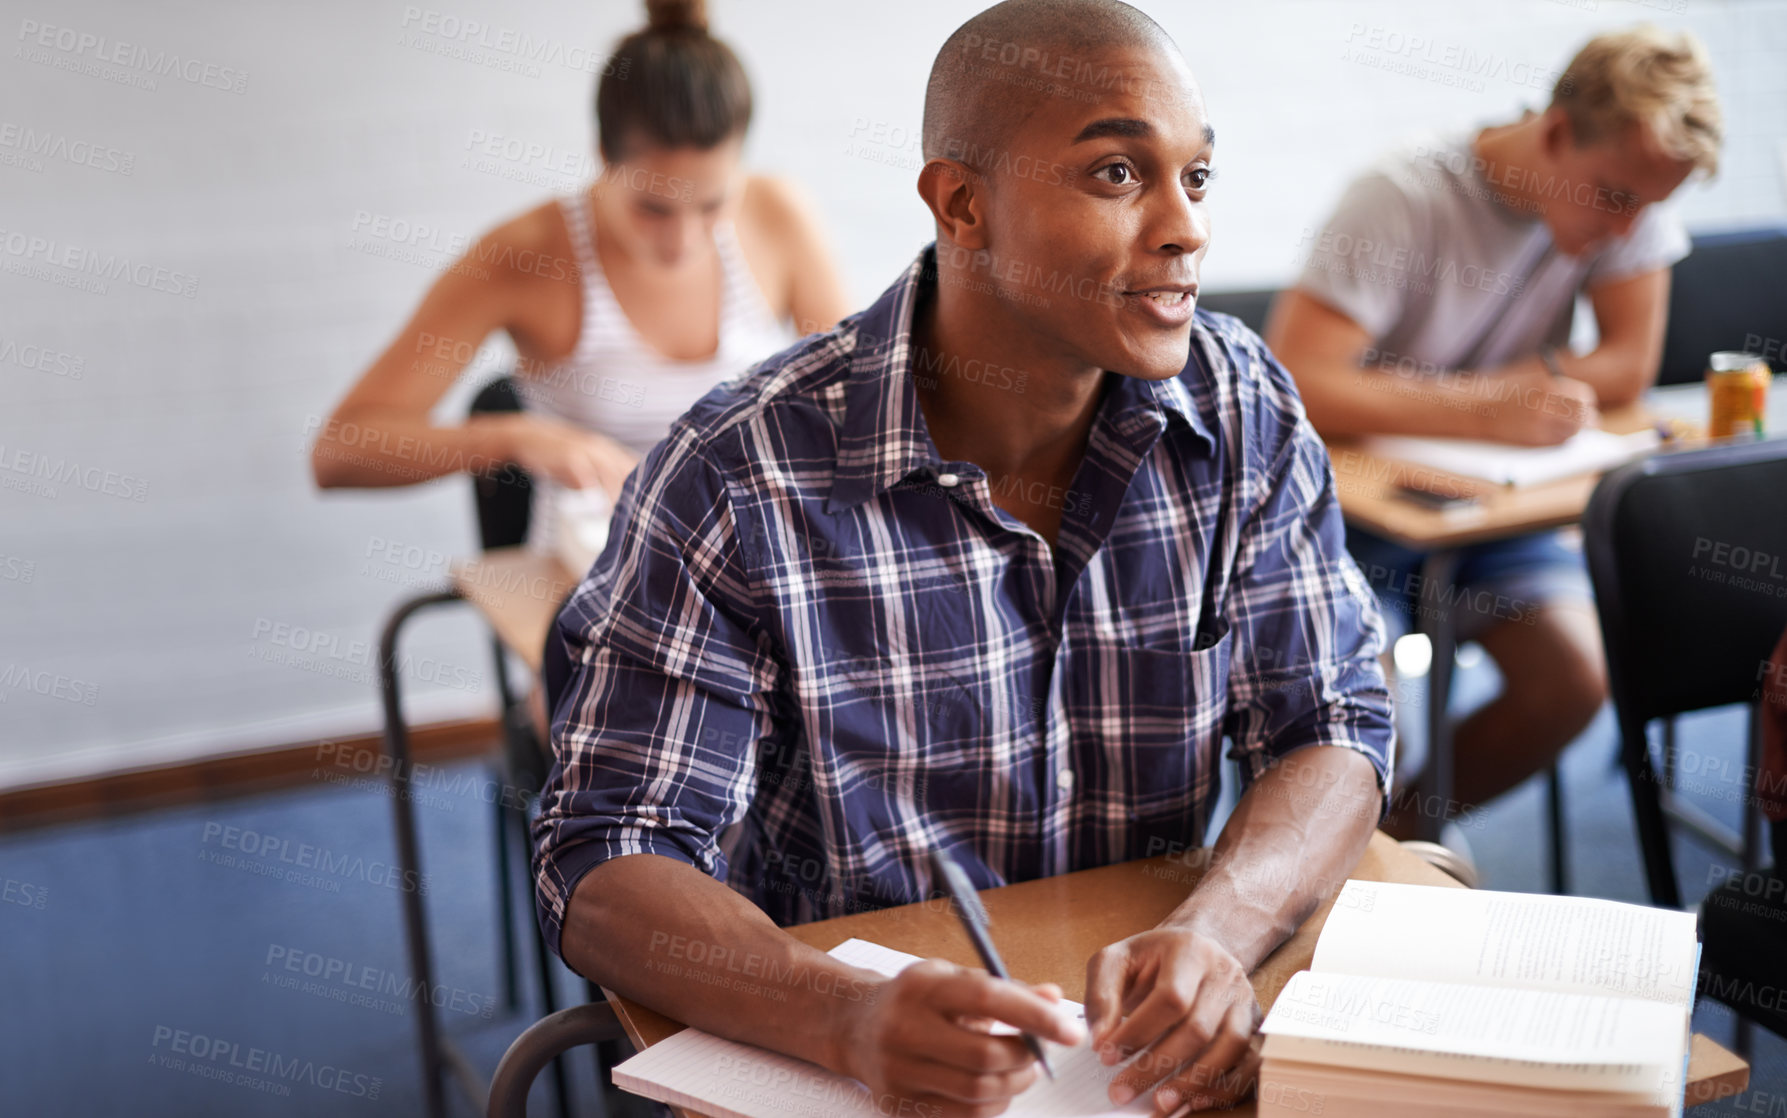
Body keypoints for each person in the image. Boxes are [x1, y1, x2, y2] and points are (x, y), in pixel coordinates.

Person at [534, 1, 1395, 1113]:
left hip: (1139, 1068)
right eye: (1117, 175)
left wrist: (1216, 932)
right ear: (961, 203)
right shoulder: (736, 471)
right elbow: (606, 854)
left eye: (1197, 176)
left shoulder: (1239, 404)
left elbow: (1330, 720)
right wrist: (836, 1013)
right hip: (862, 1072)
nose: (1186, 228)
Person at [1265, 26, 1723, 838]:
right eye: (1613, 198)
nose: (1627, 231)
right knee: (1364, 713)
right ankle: (1344, 855)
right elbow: (1298, 379)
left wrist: (1516, 396)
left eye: (1648, 208)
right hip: (1352, 516)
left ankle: (1390, 846)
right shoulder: (1400, 196)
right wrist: (1482, 407)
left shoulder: (1631, 188)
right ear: (1552, 133)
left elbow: (1625, 365)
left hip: (1489, 508)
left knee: (1574, 680)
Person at [310, 0, 849, 515]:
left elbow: (857, 406)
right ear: (602, 159)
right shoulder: (523, 255)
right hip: (590, 576)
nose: (683, 242)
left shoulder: (779, 215)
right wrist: (515, 439)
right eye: (653, 209)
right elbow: (339, 452)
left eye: (712, 205)